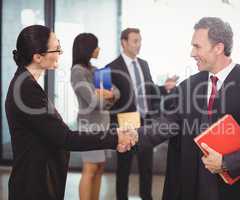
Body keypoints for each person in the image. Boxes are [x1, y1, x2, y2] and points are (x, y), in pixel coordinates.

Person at [127, 17, 240, 200]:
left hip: (239, 189)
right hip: (193, 186)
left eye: (197, 46)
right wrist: (135, 135)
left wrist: (226, 163)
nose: (192, 53)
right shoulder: (188, 86)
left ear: (218, 48)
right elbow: (168, 123)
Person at [5, 25, 136, 200]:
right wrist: (116, 137)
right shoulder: (26, 89)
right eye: (57, 48)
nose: (60, 52)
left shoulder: (27, 84)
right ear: (37, 57)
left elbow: (113, 93)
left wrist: (108, 97)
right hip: (33, 186)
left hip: (37, 181)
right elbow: (66, 137)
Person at [108, 28, 176, 200]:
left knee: (147, 167)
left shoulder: (143, 64)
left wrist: (164, 88)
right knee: (124, 167)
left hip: (146, 122)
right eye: (135, 41)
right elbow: (108, 101)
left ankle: (147, 197)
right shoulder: (112, 68)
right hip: (125, 124)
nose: (139, 45)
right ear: (124, 42)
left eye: (140, 41)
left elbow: (150, 90)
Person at [71, 33, 120, 200]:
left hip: (103, 126)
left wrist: (107, 95)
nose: (98, 49)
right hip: (89, 126)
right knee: (90, 169)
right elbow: (92, 100)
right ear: (87, 48)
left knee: (99, 168)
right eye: (96, 45)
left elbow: (116, 93)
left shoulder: (95, 70)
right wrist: (105, 95)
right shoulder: (78, 72)